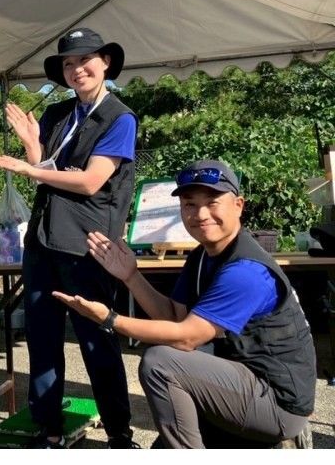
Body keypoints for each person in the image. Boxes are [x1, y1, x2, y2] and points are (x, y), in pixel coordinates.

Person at [56, 159, 316, 448]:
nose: (201, 214)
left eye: (212, 202)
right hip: (242, 382)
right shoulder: (202, 256)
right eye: (190, 204)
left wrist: (110, 319)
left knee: (160, 362)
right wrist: (131, 276)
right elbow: (173, 317)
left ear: (239, 205)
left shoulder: (247, 271)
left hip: (277, 403)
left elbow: (187, 338)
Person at [0, 28, 138, 448]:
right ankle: (48, 427)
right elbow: (50, 171)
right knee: (42, 338)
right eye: (69, 64)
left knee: (96, 341)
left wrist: (29, 169)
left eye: (85, 59)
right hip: (43, 243)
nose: (77, 69)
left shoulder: (119, 117)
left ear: (106, 62)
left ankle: (119, 433)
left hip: (89, 247)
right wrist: (32, 147)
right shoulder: (57, 115)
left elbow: (91, 181)